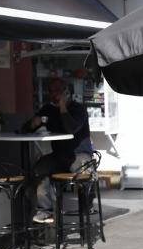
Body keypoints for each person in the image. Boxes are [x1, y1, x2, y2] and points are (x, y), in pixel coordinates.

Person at [23, 78, 93, 224]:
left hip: (78, 154)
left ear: (66, 92)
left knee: (86, 173)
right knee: (38, 171)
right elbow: (25, 130)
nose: (54, 94)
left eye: (57, 91)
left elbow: (71, 128)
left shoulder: (78, 109)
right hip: (59, 156)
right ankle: (45, 210)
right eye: (51, 91)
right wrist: (32, 124)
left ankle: (86, 206)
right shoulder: (48, 110)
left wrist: (62, 107)